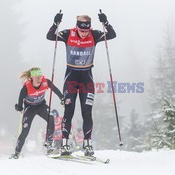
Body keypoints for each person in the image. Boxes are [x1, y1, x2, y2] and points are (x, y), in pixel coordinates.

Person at [46, 11, 116, 156]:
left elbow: (112, 35)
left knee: (87, 112)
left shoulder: (94, 35)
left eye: (86, 31)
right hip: (71, 77)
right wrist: (55, 24)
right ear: (76, 27)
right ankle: (64, 145)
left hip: (87, 78)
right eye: (81, 31)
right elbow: (49, 36)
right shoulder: (67, 34)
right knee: (68, 111)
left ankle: (88, 144)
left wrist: (106, 23)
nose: (84, 34)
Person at [10, 67, 64, 159]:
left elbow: (55, 89)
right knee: (25, 131)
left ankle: (49, 144)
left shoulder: (45, 82)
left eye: (40, 76)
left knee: (51, 119)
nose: (39, 79)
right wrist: (19, 107)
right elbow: (20, 99)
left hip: (41, 106)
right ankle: (16, 153)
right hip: (30, 108)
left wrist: (62, 98)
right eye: (36, 77)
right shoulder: (26, 87)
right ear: (31, 78)